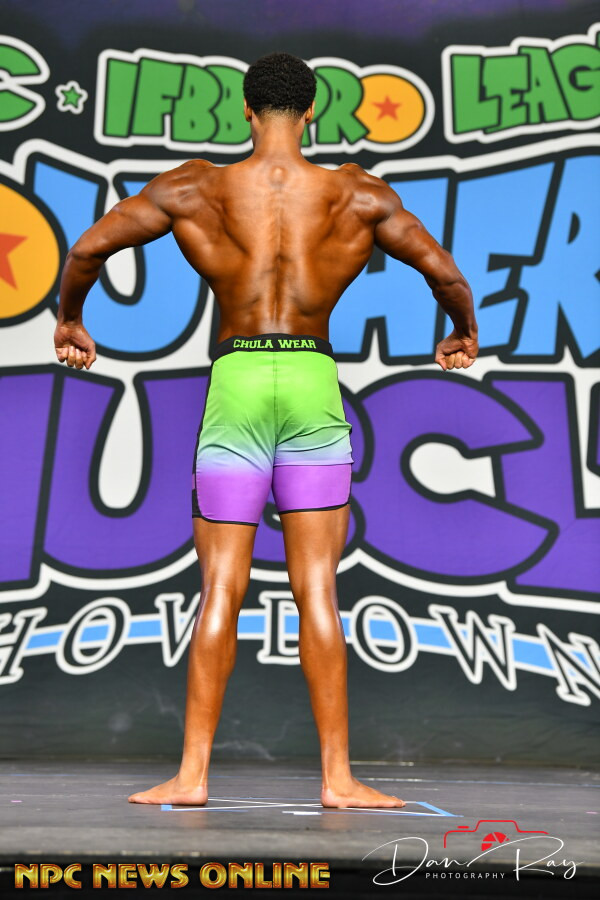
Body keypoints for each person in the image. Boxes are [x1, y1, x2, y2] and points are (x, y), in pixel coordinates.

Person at [54, 52, 478, 809]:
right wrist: (460, 332)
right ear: (312, 112)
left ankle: (191, 777)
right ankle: (338, 780)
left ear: (246, 112)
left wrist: (71, 320)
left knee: (221, 584)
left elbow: (87, 250)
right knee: (318, 588)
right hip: (311, 383)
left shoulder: (196, 188)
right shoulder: (357, 194)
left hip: (238, 383)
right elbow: (446, 275)